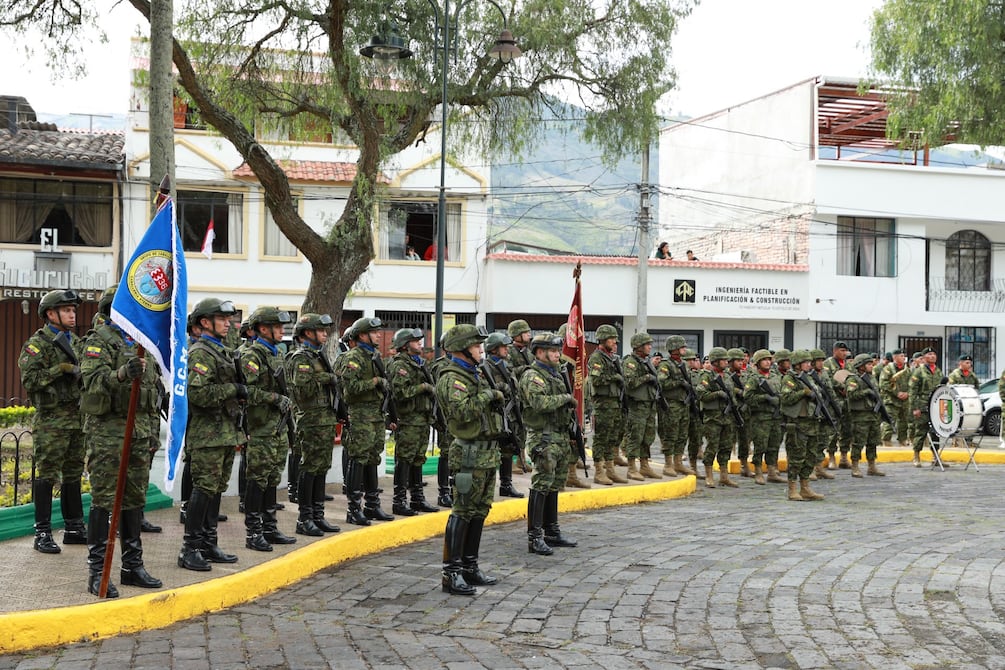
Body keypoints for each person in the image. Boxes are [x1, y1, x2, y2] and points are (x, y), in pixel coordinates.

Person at [78, 284, 162, 597]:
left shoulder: (141, 342)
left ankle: (132, 566)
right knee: (104, 500)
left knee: (134, 500)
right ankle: (97, 571)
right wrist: (123, 373)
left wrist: (152, 433)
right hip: (108, 434)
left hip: (139, 434)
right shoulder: (99, 341)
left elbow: (153, 396)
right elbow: (93, 383)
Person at [435, 324, 504, 595]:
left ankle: (469, 566)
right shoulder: (453, 378)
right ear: (462, 349)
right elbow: (462, 412)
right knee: (462, 511)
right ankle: (451, 572)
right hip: (468, 454)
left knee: (479, 510)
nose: (481, 349)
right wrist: (488, 395)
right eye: (476, 346)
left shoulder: (475, 374)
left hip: (487, 452)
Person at [18, 289, 87, 554]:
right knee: (47, 475)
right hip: (51, 420)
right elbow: (30, 380)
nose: (72, 314)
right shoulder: (38, 344)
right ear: (50, 313)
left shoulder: (78, 343)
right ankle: (42, 532)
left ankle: (74, 527)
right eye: (67, 310)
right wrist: (61, 369)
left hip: (75, 419)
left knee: (72, 474)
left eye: (73, 310)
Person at [178, 298, 243, 571]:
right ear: (205, 322)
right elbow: (197, 394)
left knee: (215, 490)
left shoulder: (221, 351)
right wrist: (233, 390)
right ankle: (189, 548)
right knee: (203, 490)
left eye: (228, 319)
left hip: (224, 433)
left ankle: (208, 542)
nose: (228, 323)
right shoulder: (201, 353)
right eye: (221, 318)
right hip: (207, 435)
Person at [239, 307, 297, 552]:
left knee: (272, 478)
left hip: (278, 428)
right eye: (277, 326)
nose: (282, 330)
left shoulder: (277, 354)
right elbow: (245, 391)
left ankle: (269, 527)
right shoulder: (252, 356)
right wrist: (274, 398)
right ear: (263, 329)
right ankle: (253, 532)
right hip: (261, 427)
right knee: (258, 479)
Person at [520, 332, 579, 557]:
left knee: (554, 485)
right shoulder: (533, 376)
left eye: (557, 350)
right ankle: (535, 536)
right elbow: (538, 403)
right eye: (553, 351)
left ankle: (551, 531)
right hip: (543, 437)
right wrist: (565, 398)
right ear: (540, 352)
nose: (557, 354)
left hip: (559, 436)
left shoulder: (555, 374)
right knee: (541, 484)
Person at [285, 313, 342, 536]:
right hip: (310, 421)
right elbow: (303, 390)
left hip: (324, 421)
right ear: (308, 333)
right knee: (309, 469)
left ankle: (318, 515)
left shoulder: (317, 357)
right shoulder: (301, 358)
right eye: (321, 331)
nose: (325, 335)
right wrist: (327, 378)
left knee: (321, 468)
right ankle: (304, 518)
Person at [337, 316, 395, 524]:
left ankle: (372, 505)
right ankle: (354, 509)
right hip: (360, 415)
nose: (378, 334)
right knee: (358, 459)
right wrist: (375, 381)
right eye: (374, 332)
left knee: (372, 459)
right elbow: (350, 388)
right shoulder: (354, 357)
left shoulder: (374, 356)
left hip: (376, 416)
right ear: (362, 335)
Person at [387, 328, 440, 515]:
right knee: (404, 459)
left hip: (422, 419)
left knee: (418, 459)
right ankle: (399, 501)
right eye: (415, 340)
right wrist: (423, 387)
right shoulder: (400, 365)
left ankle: (417, 498)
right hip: (408, 419)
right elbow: (400, 393)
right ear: (405, 345)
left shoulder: (420, 363)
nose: (420, 343)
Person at [482, 332, 526, 498]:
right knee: (491, 452)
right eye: (503, 347)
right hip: (494, 415)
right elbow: (484, 388)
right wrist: (500, 387)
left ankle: (506, 485)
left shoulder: (506, 365)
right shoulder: (486, 367)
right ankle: (487, 486)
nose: (506, 349)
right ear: (493, 349)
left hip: (509, 414)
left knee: (508, 450)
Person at [779, 350, 825, 501]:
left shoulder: (809, 377)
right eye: (805, 362)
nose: (809, 364)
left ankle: (805, 487)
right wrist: (803, 393)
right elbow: (786, 398)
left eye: (809, 362)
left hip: (812, 421)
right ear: (797, 364)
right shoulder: (790, 378)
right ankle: (792, 489)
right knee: (796, 457)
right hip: (798, 422)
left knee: (810, 456)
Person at [587, 324, 629, 485]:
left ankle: (610, 470)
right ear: (603, 339)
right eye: (611, 339)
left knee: (613, 438)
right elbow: (596, 380)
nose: (614, 342)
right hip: (603, 404)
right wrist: (614, 377)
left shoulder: (611, 357)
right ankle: (599, 471)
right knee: (601, 439)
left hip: (615, 403)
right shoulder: (597, 358)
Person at [696, 347, 740, 488]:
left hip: (727, 417)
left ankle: (724, 476)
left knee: (726, 446)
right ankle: (709, 475)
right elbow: (701, 395)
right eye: (723, 360)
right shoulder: (706, 376)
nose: (726, 362)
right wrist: (717, 394)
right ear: (715, 361)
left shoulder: (727, 376)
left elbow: (732, 393)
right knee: (712, 446)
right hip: (713, 417)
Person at [622, 332, 662, 481]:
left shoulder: (646, 361)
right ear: (638, 346)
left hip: (649, 404)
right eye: (647, 344)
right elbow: (629, 383)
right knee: (635, 436)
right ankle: (632, 468)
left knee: (648, 436)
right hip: (637, 405)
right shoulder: (631, 362)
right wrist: (647, 377)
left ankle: (645, 466)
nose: (649, 347)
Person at [656, 335, 695, 477]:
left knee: (682, 435)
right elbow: (661, 383)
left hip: (683, 404)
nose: (685, 349)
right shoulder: (666, 365)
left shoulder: (683, 364)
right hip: (671, 404)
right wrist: (678, 382)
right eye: (682, 347)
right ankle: (668, 464)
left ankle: (678, 463)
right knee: (670, 435)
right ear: (674, 349)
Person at [743, 349, 783, 485]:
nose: (768, 362)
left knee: (774, 444)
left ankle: (772, 471)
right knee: (761, 445)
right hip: (761, 417)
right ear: (758, 362)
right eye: (764, 360)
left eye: (769, 359)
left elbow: (781, 391)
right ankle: (758, 471)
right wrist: (764, 397)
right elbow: (747, 396)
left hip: (775, 416)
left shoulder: (775, 376)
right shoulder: (754, 378)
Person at [844, 353, 886, 477]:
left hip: (873, 414)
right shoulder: (853, 379)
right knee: (858, 442)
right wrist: (866, 392)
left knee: (873, 442)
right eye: (868, 364)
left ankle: (871, 466)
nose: (871, 366)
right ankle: (855, 466)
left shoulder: (872, 377)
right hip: (860, 415)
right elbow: (851, 395)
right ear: (860, 366)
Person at [506, 319, 535, 473]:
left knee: (523, 429)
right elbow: (508, 371)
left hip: (525, 395)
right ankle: (511, 462)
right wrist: (526, 368)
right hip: (513, 396)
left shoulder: (528, 352)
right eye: (525, 332)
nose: (529, 335)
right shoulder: (509, 351)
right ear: (516, 334)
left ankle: (521, 460)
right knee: (513, 428)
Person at [909, 347, 943, 467]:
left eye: (934, 354)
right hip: (922, 406)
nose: (932, 356)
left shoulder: (938, 371)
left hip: (935, 406)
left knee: (936, 432)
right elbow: (913, 391)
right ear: (923, 358)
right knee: (921, 431)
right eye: (929, 354)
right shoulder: (919, 371)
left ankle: (935, 456)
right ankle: (916, 456)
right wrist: (915, 408)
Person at [822, 341, 852, 469]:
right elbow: (827, 380)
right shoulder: (827, 364)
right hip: (833, 401)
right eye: (841, 351)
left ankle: (844, 456)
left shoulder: (848, 365)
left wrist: (850, 388)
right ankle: (832, 456)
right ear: (835, 351)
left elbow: (853, 378)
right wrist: (841, 387)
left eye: (845, 351)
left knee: (847, 429)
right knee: (833, 429)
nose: (844, 353)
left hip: (847, 401)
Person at [879, 349, 911, 447]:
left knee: (904, 422)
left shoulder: (907, 369)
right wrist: (897, 393)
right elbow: (883, 383)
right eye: (901, 356)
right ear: (895, 357)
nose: (903, 358)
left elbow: (913, 383)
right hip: (891, 400)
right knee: (889, 421)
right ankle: (886, 440)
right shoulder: (888, 369)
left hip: (905, 400)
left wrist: (907, 393)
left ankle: (902, 439)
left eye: (903, 356)